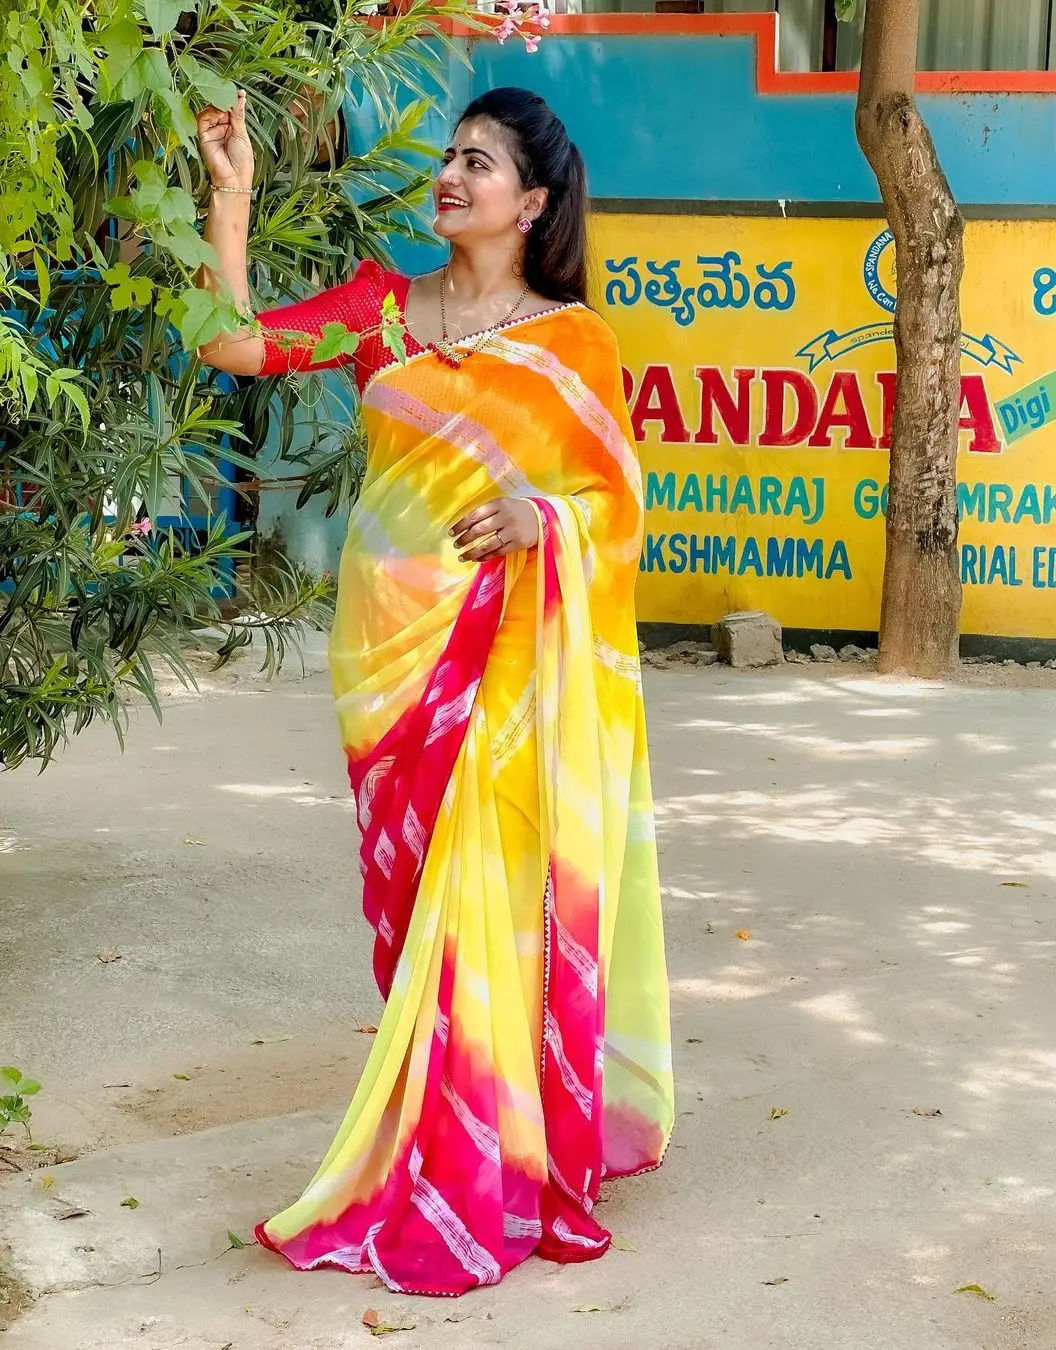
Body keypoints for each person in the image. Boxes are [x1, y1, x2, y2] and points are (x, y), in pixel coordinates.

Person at [195, 84, 673, 1297]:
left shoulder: (573, 346)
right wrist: (232, 201)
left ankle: (492, 1151)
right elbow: (233, 345)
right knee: (421, 914)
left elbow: (618, 507)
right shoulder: (379, 307)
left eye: (481, 161)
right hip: (389, 660)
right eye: (450, 156)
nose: (452, 175)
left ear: (536, 201)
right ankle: (458, 1120)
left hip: (510, 663)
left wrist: (543, 516)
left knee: (495, 903)